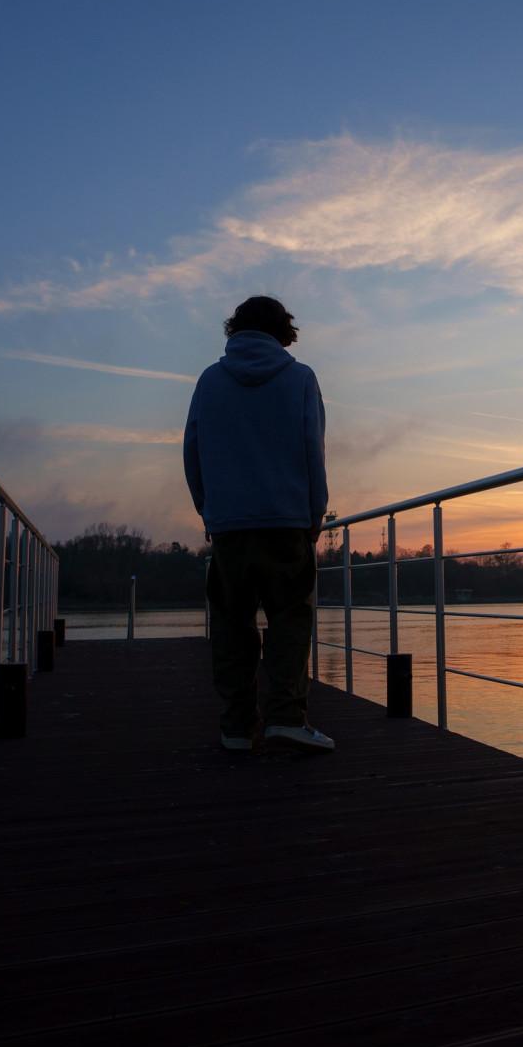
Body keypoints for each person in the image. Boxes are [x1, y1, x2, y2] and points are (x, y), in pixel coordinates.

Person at [183, 296, 334, 753]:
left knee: (231, 624)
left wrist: (208, 509)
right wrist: (314, 514)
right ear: (283, 331)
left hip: (229, 524)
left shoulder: (210, 381)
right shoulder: (300, 378)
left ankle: (236, 726)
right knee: (290, 619)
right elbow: (313, 450)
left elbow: (192, 450)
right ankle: (286, 718)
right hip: (286, 521)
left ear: (235, 329)